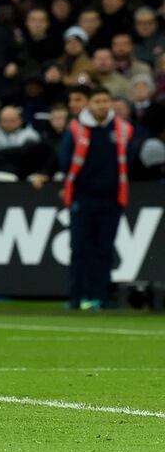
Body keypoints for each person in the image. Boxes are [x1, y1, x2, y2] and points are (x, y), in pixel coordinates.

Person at [60, 87, 137, 311]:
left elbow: (128, 161)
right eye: (98, 101)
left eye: (106, 101)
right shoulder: (76, 130)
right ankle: (77, 297)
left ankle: (100, 298)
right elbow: (65, 162)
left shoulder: (123, 130)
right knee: (80, 249)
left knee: (104, 250)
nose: (103, 105)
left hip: (111, 200)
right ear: (89, 105)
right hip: (82, 199)